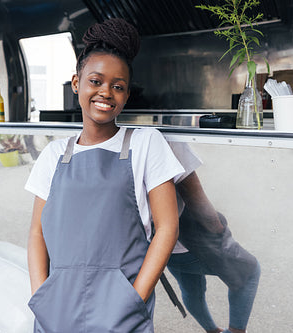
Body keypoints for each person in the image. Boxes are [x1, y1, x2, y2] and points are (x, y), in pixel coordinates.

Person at [25, 18, 184, 333]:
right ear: (76, 83)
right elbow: (36, 234)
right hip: (56, 314)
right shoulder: (54, 155)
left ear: (126, 95)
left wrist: (135, 300)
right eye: (95, 81)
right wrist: (41, 297)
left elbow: (167, 228)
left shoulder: (145, 143)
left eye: (118, 86)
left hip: (122, 317)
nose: (106, 92)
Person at [166, 142, 261, 333]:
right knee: (249, 271)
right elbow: (191, 192)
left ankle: (212, 331)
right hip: (187, 241)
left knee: (191, 288)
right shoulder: (168, 140)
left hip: (161, 244)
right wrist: (218, 228)